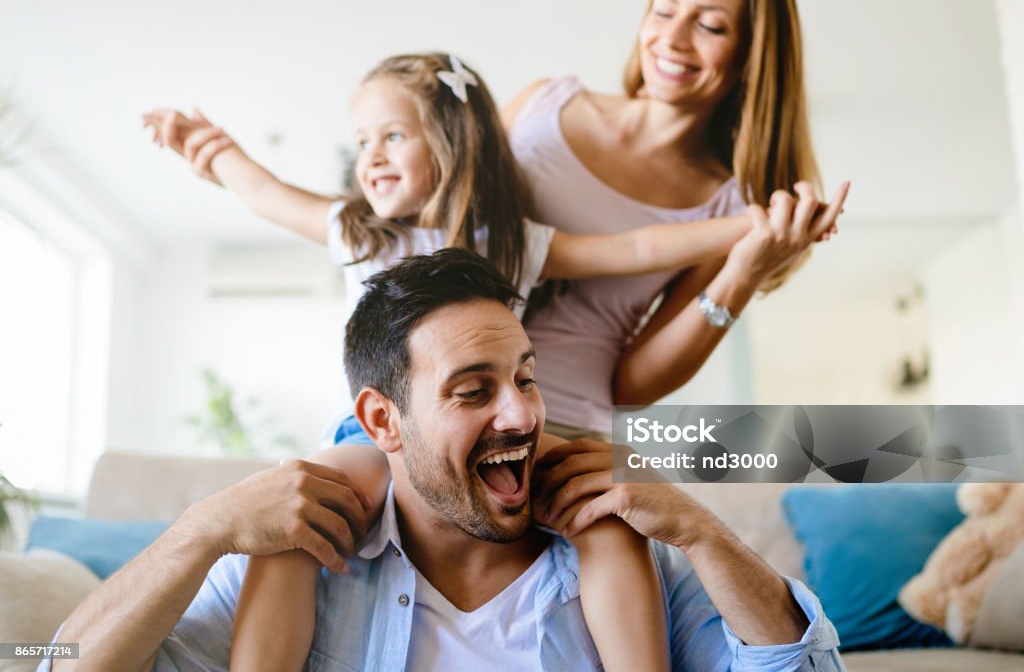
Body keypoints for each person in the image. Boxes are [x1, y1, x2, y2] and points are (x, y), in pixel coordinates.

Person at [143, 52, 842, 671]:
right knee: (296, 520)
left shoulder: (512, 239)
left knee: (605, 519)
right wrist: (212, 150)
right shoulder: (355, 230)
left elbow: (632, 251)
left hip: (520, 442)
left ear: (448, 143)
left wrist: (760, 228)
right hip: (371, 443)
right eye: (362, 140)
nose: (371, 156)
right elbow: (264, 192)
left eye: (392, 135)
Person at [45, 249, 843, 671]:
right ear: (382, 419)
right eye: (473, 390)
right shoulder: (297, 548)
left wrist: (703, 532)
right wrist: (198, 530)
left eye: (526, 377)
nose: (523, 412)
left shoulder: (619, 546)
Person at [501, 0, 837, 438]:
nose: (673, 38)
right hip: (439, 395)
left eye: (710, 26)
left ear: (751, 54)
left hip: (562, 426)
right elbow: (445, 227)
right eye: (664, 11)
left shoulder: (728, 207)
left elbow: (631, 388)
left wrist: (741, 276)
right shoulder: (540, 105)